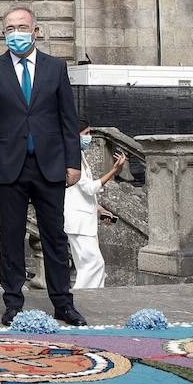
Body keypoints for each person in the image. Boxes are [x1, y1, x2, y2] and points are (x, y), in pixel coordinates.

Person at [0, 5, 87, 327]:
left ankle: (63, 303)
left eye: (22, 26)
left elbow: (68, 119)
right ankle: (13, 302)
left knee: (54, 236)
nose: (16, 33)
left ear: (36, 31)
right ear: (4, 33)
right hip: (9, 166)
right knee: (10, 237)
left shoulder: (56, 68)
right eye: (10, 28)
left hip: (50, 165)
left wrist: (74, 162)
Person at [64, 121, 126, 290]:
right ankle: (82, 298)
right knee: (93, 265)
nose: (89, 137)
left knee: (91, 265)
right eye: (86, 133)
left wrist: (99, 210)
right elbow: (90, 188)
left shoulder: (80, 156)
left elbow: (80, 192)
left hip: (84, 219)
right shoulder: (71, 158)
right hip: (78, 222)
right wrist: (114, 171)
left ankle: (93, 297)